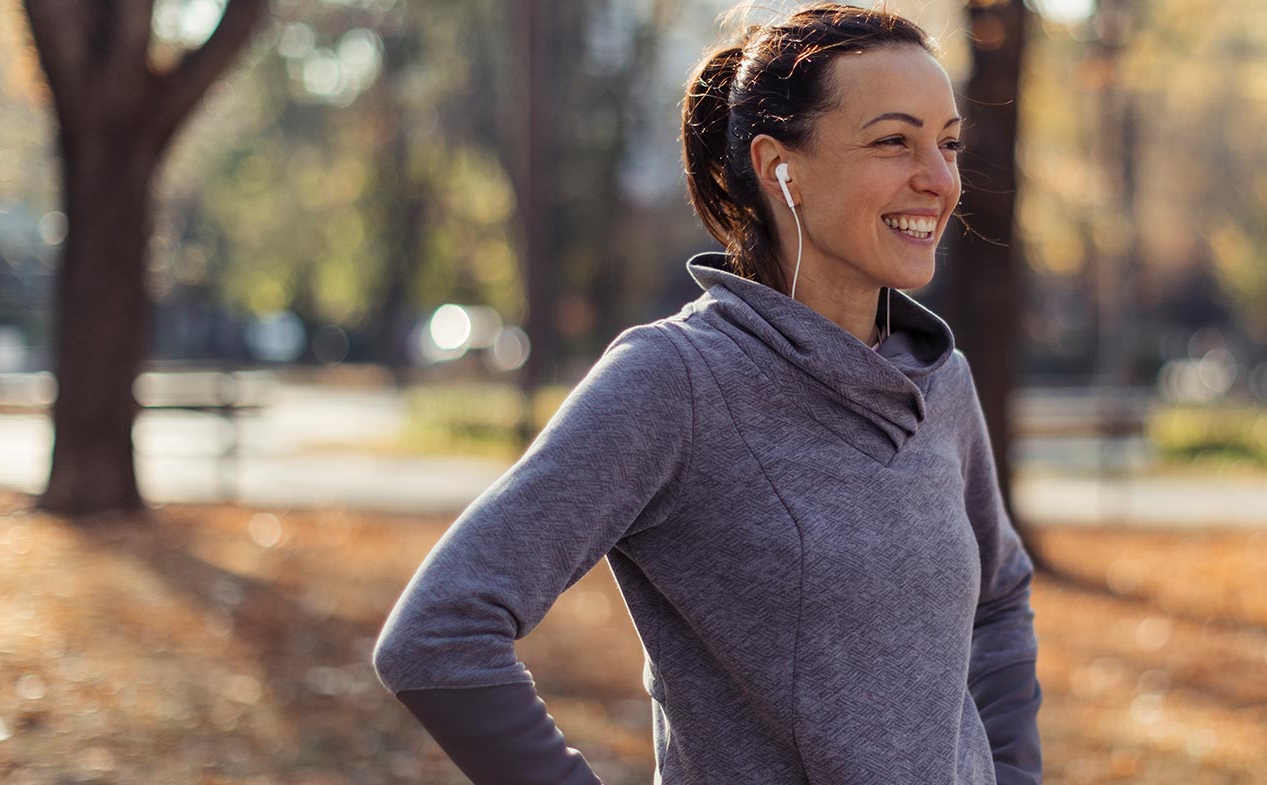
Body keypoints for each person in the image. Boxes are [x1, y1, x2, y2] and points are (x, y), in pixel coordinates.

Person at [370, 3, 1042, 783]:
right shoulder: (676, 381)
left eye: (948, 143)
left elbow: (1000, 596)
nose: (939, 179)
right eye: (894, 141)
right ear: (779, 167)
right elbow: (439, 632)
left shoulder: (940, 380)